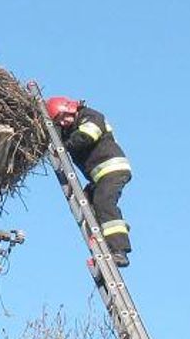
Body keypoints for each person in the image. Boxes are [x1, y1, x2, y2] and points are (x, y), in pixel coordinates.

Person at [45, 96, 133, 267]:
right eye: (58, 121)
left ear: (70, 108)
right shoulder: (71, 129)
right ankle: (110, 232)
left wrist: (64, 147)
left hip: (112, 169)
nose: (62, 123)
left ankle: (119, 250)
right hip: (98, 177)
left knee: (103, 202)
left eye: (63, 117)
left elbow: (87, 135)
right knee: (91, 203)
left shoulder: (90, 116)